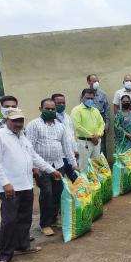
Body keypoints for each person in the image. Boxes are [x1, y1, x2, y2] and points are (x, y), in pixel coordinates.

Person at [0, 108, 62, 262]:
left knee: (25, 218)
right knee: (10, 220)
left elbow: (34, 157)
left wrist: (51, 170)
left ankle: (23, 246)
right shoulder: (0, 136)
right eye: (15, 121)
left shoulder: (23, 137)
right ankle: (4, 255)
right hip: (9, 187)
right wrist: (5, 183)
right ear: (7, 120)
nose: (18, 124)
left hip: (26, 184)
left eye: (21, 120)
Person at [26, 99, 78, 236]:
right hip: (42, 167)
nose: (50, 111)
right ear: (40, 109)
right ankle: (45, 224)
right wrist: (34, 167)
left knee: (58, 193)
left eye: (52, 109)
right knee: (47, 194)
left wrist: (74, 164)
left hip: (58, 165)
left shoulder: (60, 126)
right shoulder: (33, 125)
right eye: (47, 109)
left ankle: (54, 219)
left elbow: (67, 147)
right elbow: (29, 148)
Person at [71, 89, 105, 172]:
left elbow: (102, 124)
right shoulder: (77, 110)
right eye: (87, 98)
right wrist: (92, 136)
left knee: (96, 166)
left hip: (96, 142)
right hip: (84, 143)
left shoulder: (95, 110)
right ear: (82, 98)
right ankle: (85, 184)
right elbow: (78, 126)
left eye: (92, 98)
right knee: (83, 167)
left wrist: (98, 134)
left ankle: (95, 185)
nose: (90, 100)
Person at [79, 74, 110, 157]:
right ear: (88, 82)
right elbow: (81, 108)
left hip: (100, 118)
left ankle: (103, 165)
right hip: (87, 119)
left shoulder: (102, 94)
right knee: (89, 142)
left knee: (101, 143)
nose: (96, 83)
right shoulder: (84, 93)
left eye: (97, 81)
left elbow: (107, 108)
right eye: (94, 81)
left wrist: (107, 123)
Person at [52, 93, 79, 182]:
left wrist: (75, 149)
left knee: (76, 179)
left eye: (63, 103)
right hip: (59, 156)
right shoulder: (51, 119)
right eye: (58, 103)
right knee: (61, 181)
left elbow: (71, 134)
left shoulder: (67, 117)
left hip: (69, 154)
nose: (61, 105)